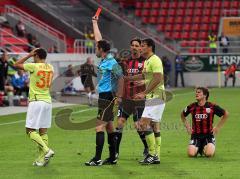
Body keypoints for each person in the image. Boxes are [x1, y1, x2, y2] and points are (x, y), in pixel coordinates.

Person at [85, 15, 123, 166]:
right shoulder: (105, 58)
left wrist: (119, 96)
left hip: (109, 97)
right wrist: (94, 22)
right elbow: (98, 39)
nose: (95, 48)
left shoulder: (111, 62)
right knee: (109, 126)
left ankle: (97, 158)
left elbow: (121, 78)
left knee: (99, 126)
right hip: (106, 96)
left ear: (101, 50)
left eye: (96, 47)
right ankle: (113, 157)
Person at [12, 48, 55, 166]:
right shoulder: (51, 68)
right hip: (47, 101)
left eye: (33, 56)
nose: (32, 58)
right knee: (43, 130)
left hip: (36, 101)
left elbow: (16, 64)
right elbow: (50, 84)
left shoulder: (34, 66)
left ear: (36, 56)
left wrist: (28, 55)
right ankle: (42, 159)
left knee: (30, 130)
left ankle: (47, 150)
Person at [127, 38, 165, 165]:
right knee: (154, 126)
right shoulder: (147, 61)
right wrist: (128, 78)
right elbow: (144, 76)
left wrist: (144, 92)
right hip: (153, 97)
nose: (140, 48)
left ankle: (151, 154)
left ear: (150, 47)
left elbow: (158, 78)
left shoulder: (155, 60)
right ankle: (156, 156)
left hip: (156, 97)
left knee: (142, 124)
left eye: (143, 46)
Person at [114, 38, 148, 159]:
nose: (134, 47)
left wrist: (144, 82)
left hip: (139, 99)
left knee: (139, 125)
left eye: (136, 45)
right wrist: (118, 96)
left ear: (140, 47)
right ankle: (115, 151)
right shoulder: (125, 62)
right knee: (119, 123)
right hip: (126, 99)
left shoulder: (145, 62)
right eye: (132, 45)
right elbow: (121, 79)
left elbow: (152, 78)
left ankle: (147, 147)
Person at [181, 87, 228, 157]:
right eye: (196, 92)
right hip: (195, 136)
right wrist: (187, 127)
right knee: (191, 154)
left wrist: (217, 127)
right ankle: (199, 148)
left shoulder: (211, 106)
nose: (196, 93)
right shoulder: (192, 106)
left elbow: (226, 114)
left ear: (205, 95)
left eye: (199, 92)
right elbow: (182, 115)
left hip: (208, 135)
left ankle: (207, 146)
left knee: (209, 154)